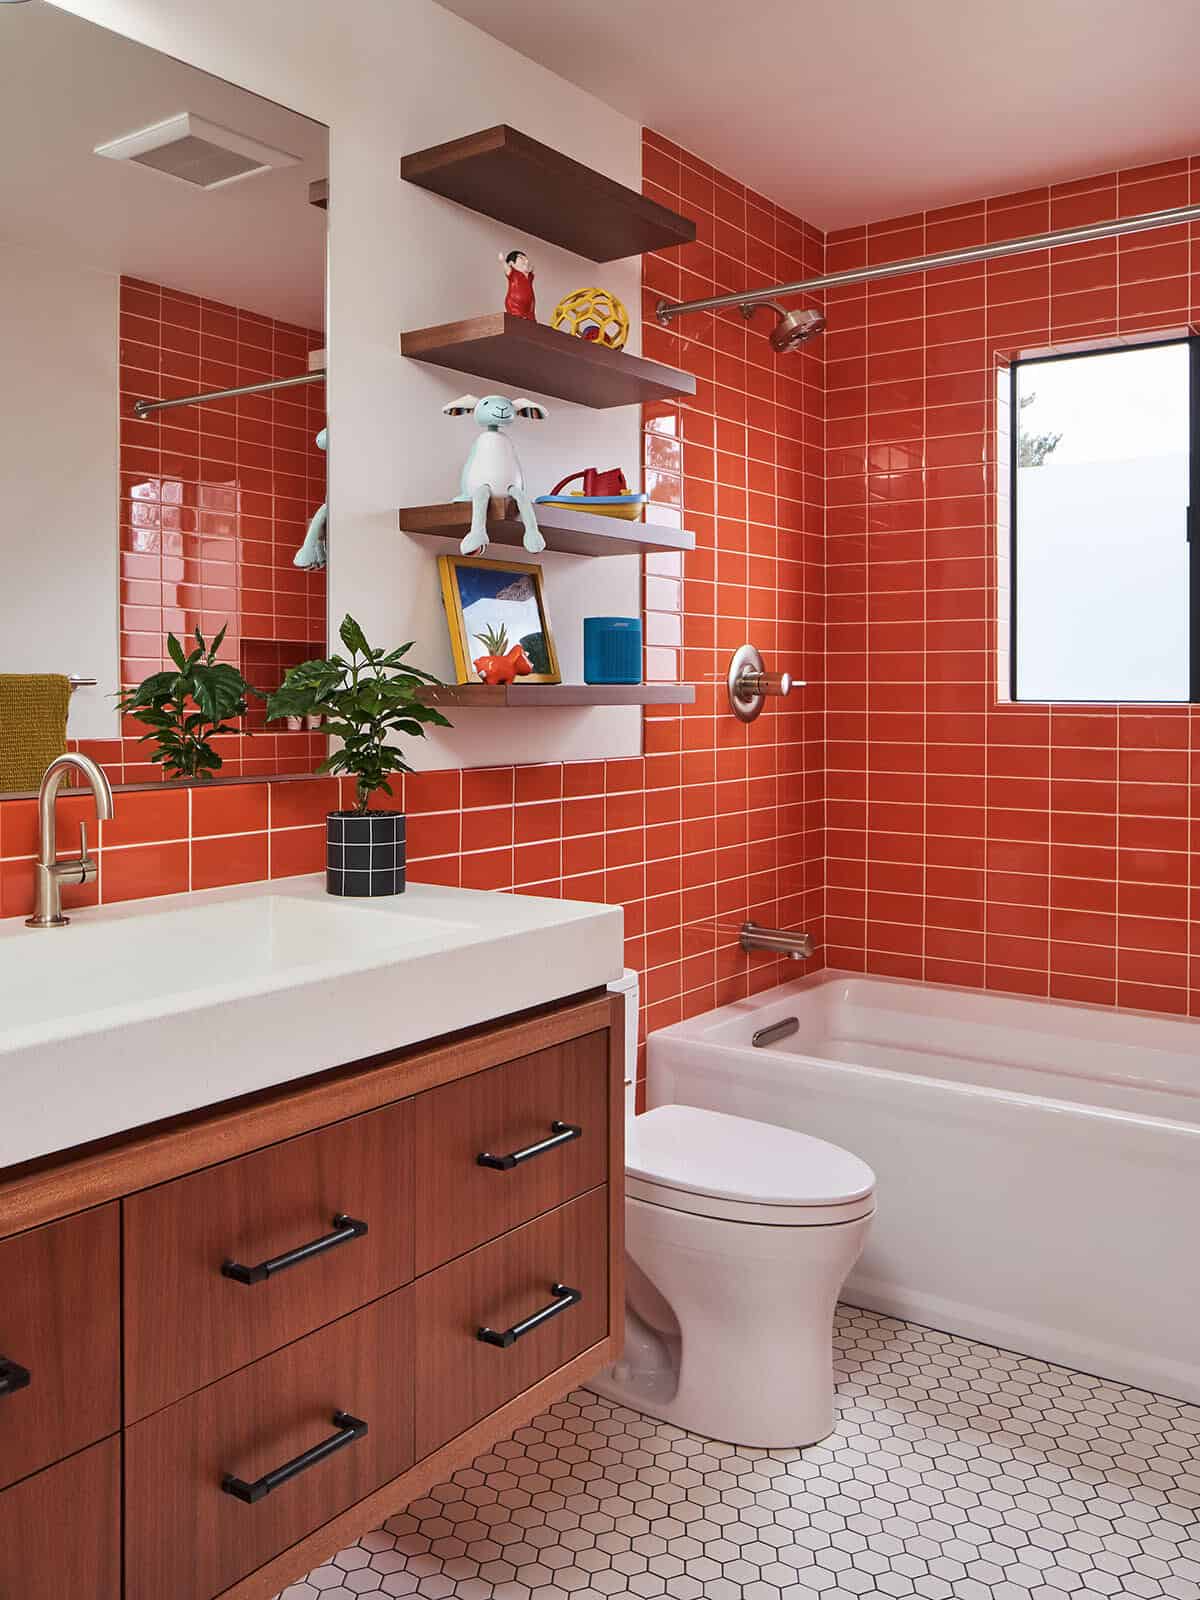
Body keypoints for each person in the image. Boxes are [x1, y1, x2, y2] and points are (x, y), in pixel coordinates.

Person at [501, 248, 536, 320]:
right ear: (511, 263)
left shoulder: (529, 276)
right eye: (521, 258)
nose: (526, 261)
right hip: (515, 304)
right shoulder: (513, 273)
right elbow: (506, 268)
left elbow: (531, 270)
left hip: (530, 306)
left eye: (526, 259)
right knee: (517, 319)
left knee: (530, 319)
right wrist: (502, 261)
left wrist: (529, 269)